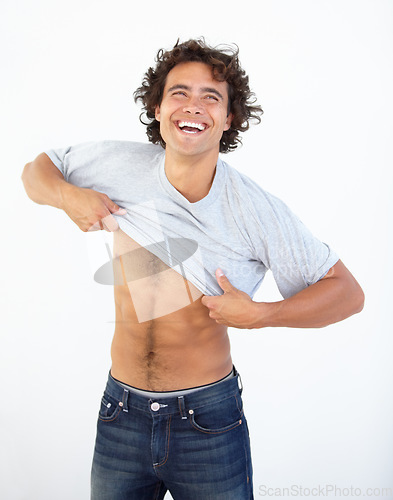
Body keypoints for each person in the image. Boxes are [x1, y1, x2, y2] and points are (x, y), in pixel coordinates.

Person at [21, 39, 364, 500]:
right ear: (158, 108)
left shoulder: (253, 209)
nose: (193, 106)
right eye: (180, 93)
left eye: (212, 97)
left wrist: (263, 314)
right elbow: (39, 168)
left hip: (205, 421)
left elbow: (348, 293)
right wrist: (67, 196)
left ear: (229, 118)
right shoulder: (117, 165)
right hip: (119, 412)